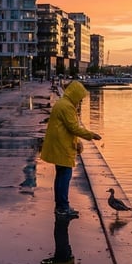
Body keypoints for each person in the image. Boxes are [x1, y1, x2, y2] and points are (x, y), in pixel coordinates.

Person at [39, 80, 101, 219]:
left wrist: (77, 141)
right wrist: (91, 135)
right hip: (62, 147)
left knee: (61, 176)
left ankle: (61, 206)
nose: (80, 101)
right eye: (79, 98)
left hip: (60, 144)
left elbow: (68, 128)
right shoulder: (67, 107)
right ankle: (62, 208)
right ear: (75, 95)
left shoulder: (63, 103)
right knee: (64, 177)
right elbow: (73, 127)